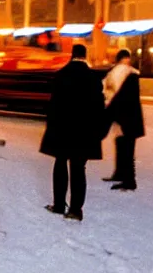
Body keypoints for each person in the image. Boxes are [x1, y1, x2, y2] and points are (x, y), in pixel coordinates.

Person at [40, 44, 105, 221]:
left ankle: (59, 205)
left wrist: (50, 127)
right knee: (78, 169)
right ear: (85, 56)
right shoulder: (93, 78)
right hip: (84, 132)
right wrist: (98, 131)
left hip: (62, 129)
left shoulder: (61, 75)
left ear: (72, 55)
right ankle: (76, 210)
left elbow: (53, 106)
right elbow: (99, 108)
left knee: (60, 164)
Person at [102, 48, 145, 191]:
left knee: (124, 146)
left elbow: (108, 93)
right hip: (130, 116)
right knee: (125, 146)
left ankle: (128, 180)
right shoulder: (133, 73)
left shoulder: (114, 73)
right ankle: (121, 174)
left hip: (120, 115)